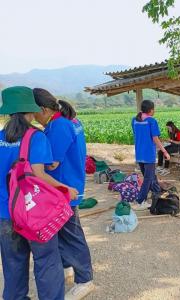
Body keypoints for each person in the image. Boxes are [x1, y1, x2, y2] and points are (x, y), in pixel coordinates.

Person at [0, 86, 78, 300]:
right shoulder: (36, 137)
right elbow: (38, 174)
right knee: (47, 261)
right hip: (33, 213)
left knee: (13, 264)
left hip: (4, 214)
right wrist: (65, 189)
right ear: (30, 110)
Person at [32, 88, 94, 300]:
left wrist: (32, 158)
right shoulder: (71, 121)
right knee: (60, 231)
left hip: (63, 188)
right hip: (70, 183)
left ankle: (85, 279)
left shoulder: (58, 126)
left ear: (43, 109)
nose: (33, 118)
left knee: (71, 234)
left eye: (34, 112)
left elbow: (51, 164)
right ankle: (67, 267)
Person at [133, 100, 170, 208]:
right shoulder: (151, 121)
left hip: (139, 154)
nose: (154, 111)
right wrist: (165, 151)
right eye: (154, 109)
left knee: (149, 177)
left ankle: (157, 192)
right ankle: (140, 201)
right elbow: (155, 139)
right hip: (149, 154)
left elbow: (137, 135)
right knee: (148, 179)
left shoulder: (134, 121)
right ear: (150, 110)